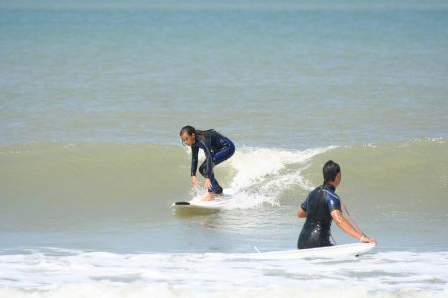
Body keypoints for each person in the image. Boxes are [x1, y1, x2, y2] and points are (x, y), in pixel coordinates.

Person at [296, 160, 376, 249]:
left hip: (301, 243)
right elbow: (339, 220)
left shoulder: (312, 193)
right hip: (319, 243)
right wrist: (361, 237)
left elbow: (299, 213)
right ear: (338, 176)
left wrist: (318, 212)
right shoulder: (332, 196)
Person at [180, 126, 235, 201]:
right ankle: (218, 191)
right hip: (218, 149)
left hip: (228, 147)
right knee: (202, 169)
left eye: (187, 139)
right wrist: (193, 174)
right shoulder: (194, 142)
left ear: (192, 135)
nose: (185, 142)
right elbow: (194, 158)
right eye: (183, 140)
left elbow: (209, 157)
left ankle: (211, 193)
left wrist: (207, 177)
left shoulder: (203, 140)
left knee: (205, 168)